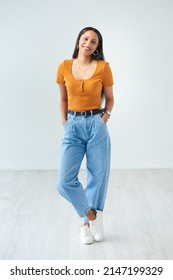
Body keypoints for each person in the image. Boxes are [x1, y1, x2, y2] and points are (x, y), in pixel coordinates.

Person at [56, 27, 114, 245]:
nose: (89, 43)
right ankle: (92, 215)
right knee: (64, 181)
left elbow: (110, 98)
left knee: (97, 176)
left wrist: (104, 118)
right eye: (86, 39)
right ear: (79, 41)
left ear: (97, 47)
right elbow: (63, 99)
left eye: (94, 41)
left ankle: (85, 226)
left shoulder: (103, 67)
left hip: (96, 124)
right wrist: (65, 122)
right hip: (72, 125)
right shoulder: (63, 66)